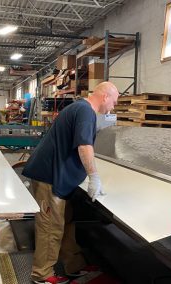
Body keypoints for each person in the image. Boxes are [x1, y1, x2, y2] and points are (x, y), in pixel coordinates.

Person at [22, 82, 119, 284]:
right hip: (50, 176)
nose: (113, 108)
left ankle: (73, 264)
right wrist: (93, 176)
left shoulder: (79, 107)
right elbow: (84, 146)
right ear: (105, 97)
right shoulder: (85, 112)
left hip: (57, 174)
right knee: (51, 226)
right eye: (114, 102)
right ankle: (42, 275)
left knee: (66, 219)